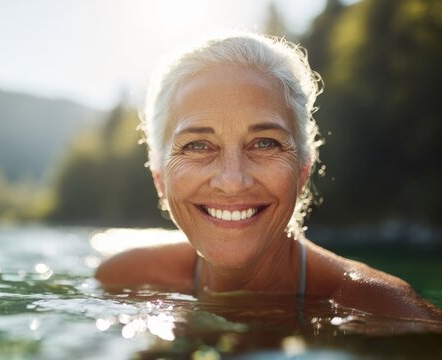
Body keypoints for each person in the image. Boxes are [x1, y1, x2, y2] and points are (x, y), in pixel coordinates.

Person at [95, 32, 440, 320]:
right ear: (159, 177)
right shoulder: (125, 281)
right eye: (198, 145)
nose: (232, 180)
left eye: (264, 143)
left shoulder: (390, 315)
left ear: (303, 170)